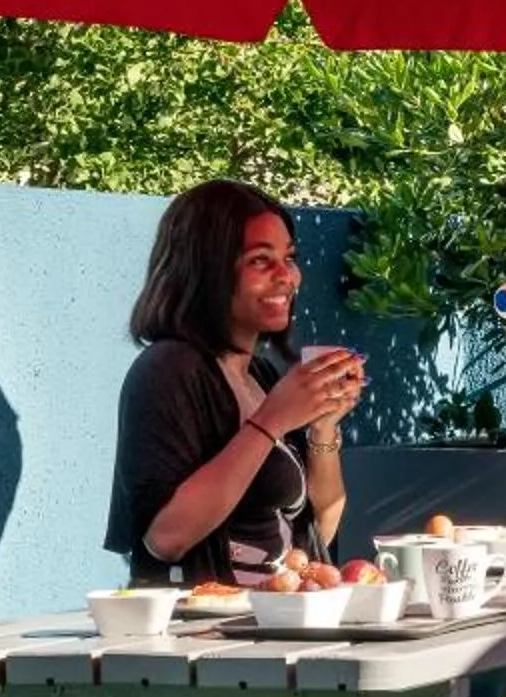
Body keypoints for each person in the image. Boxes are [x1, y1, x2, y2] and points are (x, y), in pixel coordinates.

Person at [106, 180, 364, 587]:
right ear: (207, 271)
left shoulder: (260, 375)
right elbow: (165, 539)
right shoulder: (168, 369)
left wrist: (323, 425)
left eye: (289, 258)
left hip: (273, 622)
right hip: (199, 633)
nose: (288, 277)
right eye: (261, 261)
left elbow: (322, 528)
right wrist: (272, 419)